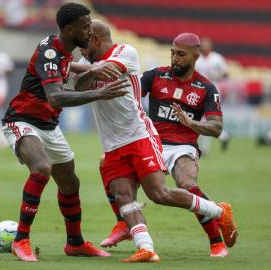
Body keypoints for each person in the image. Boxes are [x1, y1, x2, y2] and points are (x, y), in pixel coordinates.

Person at [74, 27, 238, 262]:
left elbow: (216, 128)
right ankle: (126, 226)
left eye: (181, 54)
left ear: (195, 56)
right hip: (153, 140)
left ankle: (216, 240)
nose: (175, 58)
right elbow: (131, 89)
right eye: (173, 53)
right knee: (117, 180)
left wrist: (190, 122)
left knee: (186, 184)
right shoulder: (157, 75)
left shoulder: (206, 88)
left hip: (181, 145)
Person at [1, 3, 129, 262]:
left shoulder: (64, 48)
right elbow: (56, 96)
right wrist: (99, 92)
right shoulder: (50, 51)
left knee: (70, 182)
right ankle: (21, 240)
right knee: (41, 168)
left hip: (48, 124)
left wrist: (91, 69)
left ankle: (75, 243)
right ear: (70, 29)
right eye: (85, 26)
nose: (90, 31)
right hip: (23, 120)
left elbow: (67, 68)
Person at [195, 37, 230, 153]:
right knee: (202, 119)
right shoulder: (197, 58)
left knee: (207, 119)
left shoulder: (217, 58)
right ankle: (223, 136)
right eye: (203, 45)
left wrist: (218, 76)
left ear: (210, 47)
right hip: (199, 91)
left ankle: (204, 148)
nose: (204, 47)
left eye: (206, 45)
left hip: (213, 92)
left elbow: (226, 73)